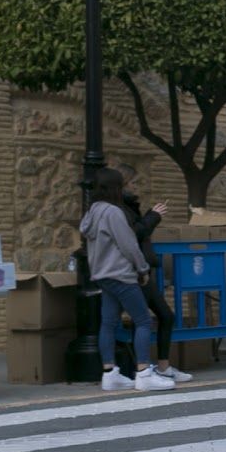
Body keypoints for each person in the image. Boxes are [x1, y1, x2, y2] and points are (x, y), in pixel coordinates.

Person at [81, 168, 175, 392]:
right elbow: (129, 244)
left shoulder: (91, 212)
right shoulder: (113, 213)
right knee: (142, 320)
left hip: (102, 274)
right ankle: (143, 373)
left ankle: (110, 373)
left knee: (108, 323)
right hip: (121, 274)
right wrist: (142, 268)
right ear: (114, 188)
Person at [118, 173, 189, 384]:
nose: (136, 187)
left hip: (140, 270)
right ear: (121, 186)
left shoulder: (128, 207)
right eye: (132, 183)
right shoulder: (121, 210)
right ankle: (143, 370)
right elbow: (134, 235)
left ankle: (156, 367)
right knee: (145, 320)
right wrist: (153, 216)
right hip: (134, 272)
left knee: (162, 317)